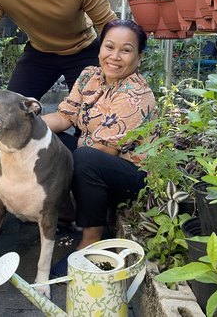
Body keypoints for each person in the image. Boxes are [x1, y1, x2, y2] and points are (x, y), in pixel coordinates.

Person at [42, 19, 157, 275]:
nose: (115, 57)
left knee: (85, 159)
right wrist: (25, 126)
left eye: (126, 50)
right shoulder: (89, 77)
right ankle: (64, 209)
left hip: (130, 176)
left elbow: (105, 151)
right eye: (109, 47)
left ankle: (91, 241)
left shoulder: (135, 94)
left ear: (138, 58)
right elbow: (64, 118)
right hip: (93, 157)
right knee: (46, 138)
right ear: (100, 48)